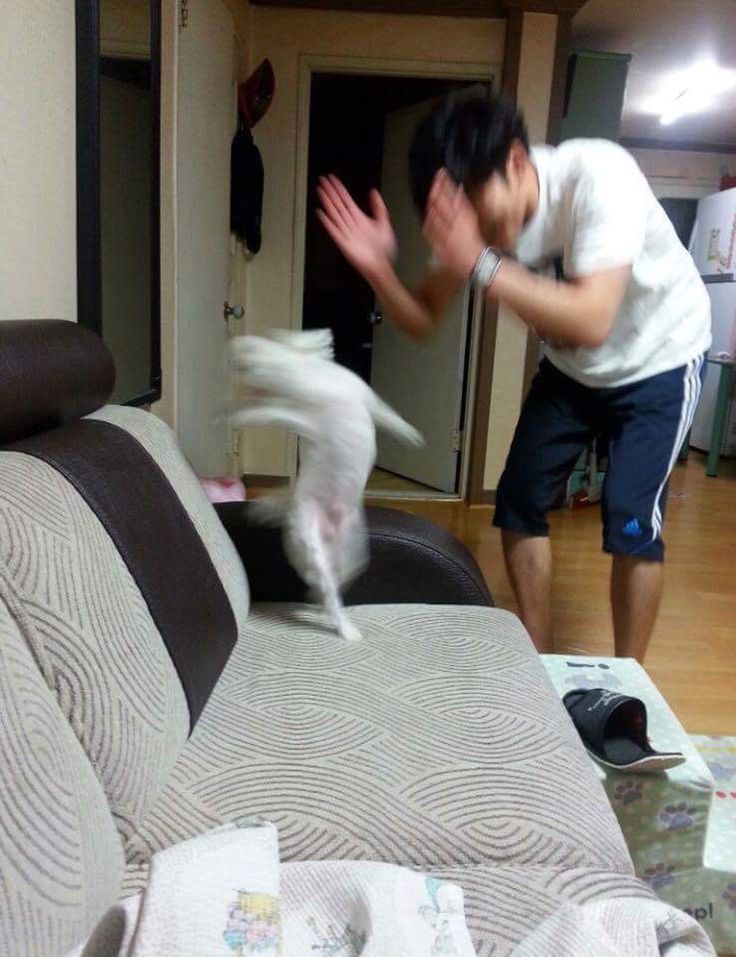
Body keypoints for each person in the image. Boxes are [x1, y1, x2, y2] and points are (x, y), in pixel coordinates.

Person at [316, 93, 711, 662]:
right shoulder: (468, 224)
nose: (477, 231)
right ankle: (537, 658)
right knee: (519, 500)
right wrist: (379, 270)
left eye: (481, 212)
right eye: (465, 221)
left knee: (631, 521)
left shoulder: (598, 176)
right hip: (573, 372)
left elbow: (592, 319)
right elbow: (423, 318)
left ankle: (631, 676)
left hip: (660, 359)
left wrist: (477, 259)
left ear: (518, 162)